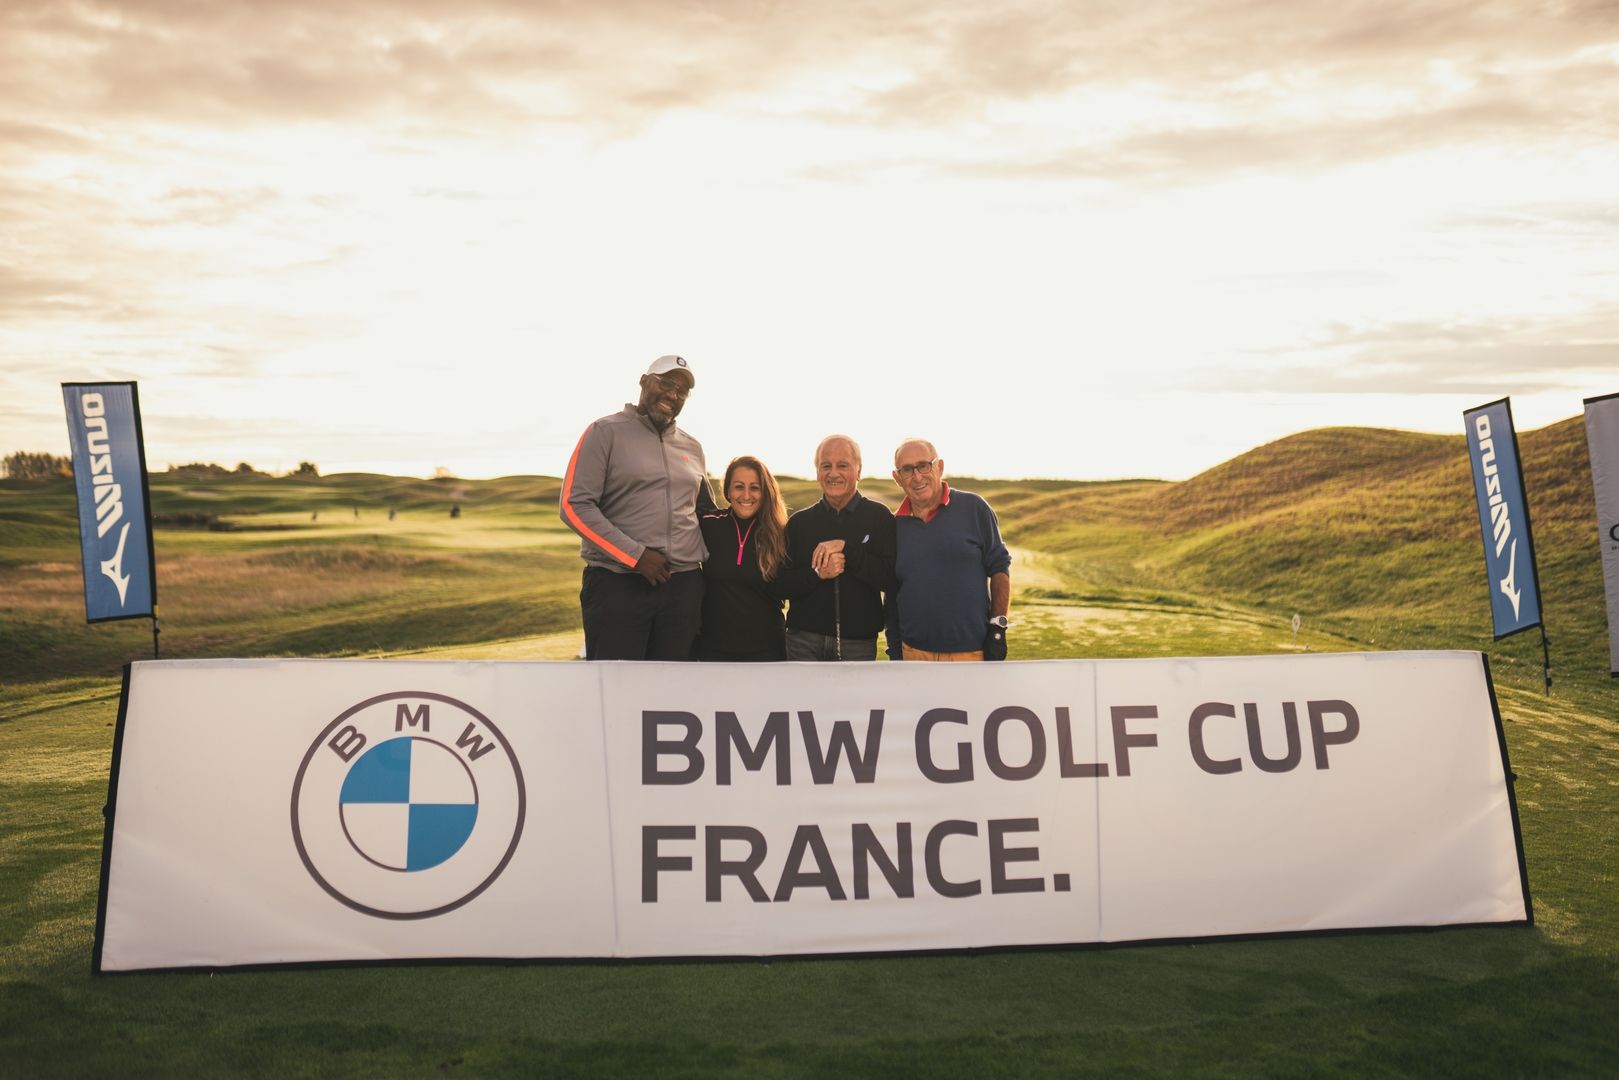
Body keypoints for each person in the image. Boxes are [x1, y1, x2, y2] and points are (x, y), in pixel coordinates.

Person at [559, 355, 714, 660]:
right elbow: (574, 505)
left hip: (683, 588)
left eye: (682, 391)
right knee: (617, 683)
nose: (673, 394)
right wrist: (635, 556)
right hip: (618, 584)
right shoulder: (604, 431)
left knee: (674, 682)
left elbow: (705, 510)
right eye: (666, 384)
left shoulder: (692, 446)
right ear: (644, 381)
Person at [886, 438, 1012, 661]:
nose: (917, 477)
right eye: (907, 470)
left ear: (940, 467)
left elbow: (999, 568)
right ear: (897, 478)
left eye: (924, 466)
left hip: (971, 652)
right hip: (913, 653)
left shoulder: (975, 508)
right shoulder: (894, 526)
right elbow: (892, 593)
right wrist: (895, 649)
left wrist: (997, 628)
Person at [776, 434, 895, 661]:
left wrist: (847, 550)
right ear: (817, 472)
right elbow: (780, 585)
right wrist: (818, 574)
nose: (833, 473)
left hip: (858, 643)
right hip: (803, 641)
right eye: (825, 466)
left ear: (858, 471)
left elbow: (888, 577)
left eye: (842, 465)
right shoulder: (799, 523)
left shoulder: (879, 517)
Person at [695, 455, 789, 661]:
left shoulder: (780, 533)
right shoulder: (708, 523)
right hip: (713, 650)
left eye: (755, 488)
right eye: (739, 487)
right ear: (727, 491)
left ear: (765, 492)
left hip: (768, 651)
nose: (746, 495)